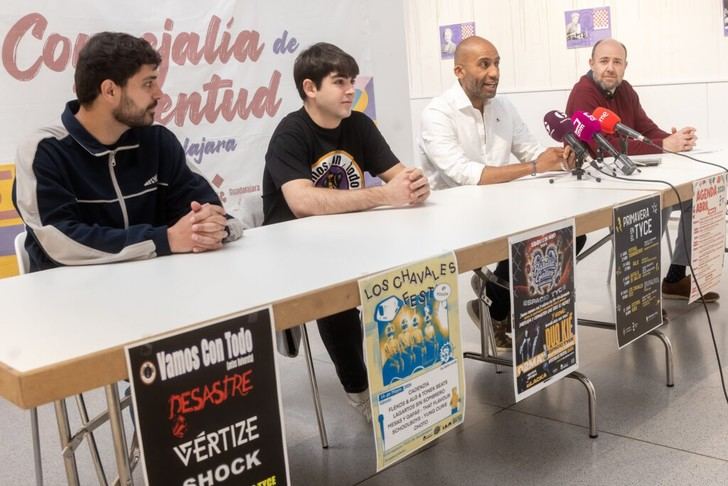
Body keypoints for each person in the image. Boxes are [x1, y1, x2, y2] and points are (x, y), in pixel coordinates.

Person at [263, 42, 430, 419]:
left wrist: (416, 184)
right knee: (335, 297)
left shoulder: (358, 124)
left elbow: (399, 175)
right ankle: (360, 390)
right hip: (294, 250)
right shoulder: (290, 133)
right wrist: (385, 195)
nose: (350, 90)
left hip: (350, 238)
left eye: (352, 81)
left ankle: (413, 376)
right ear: (310, 88)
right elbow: (302, 202)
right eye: (339, 82)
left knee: (412, 270)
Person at [13, 32, 242, 272]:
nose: (159, 94)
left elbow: (210, 212)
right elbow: (59, 242)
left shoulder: (158, 142)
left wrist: (212, 228)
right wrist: (165, 239)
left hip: (158, 284)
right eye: (148, 83)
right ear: (110, 91)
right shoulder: (44, 152)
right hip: (71, 291)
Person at [418, 36, 581, 349]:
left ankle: (496, 297)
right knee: (538, 237)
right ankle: (498, 301)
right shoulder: (437, 113)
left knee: (572, 232)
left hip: (501, 209)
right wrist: (535, 166)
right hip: (453, 219)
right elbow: (465, 174)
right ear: (459, 71)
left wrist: (561, 159)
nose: (494, 72)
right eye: (484, 64)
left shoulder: (503, 106)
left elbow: (530, 151)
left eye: (496, 63)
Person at [565, 38, 718, 303]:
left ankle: (675, 278)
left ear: (625, 66)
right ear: (591, 63)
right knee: (660, 199)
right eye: (604, 61)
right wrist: (664, 145)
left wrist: (674, 140)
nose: (610, 68)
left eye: (617, 62)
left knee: (694, 197)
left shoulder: (625, 90)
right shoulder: (583, 94)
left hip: (628, 177)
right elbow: (602, 147)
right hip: (597, 184)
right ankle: (640, 291)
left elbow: (645, 129)